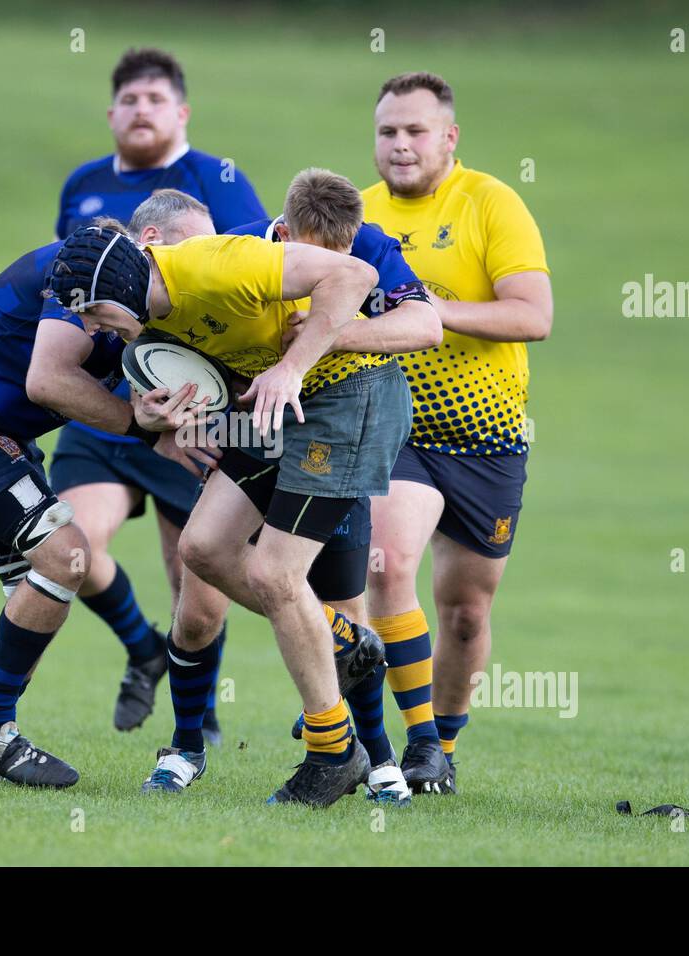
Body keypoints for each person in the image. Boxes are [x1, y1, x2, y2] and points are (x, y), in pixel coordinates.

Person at [47, 169, 434, 807]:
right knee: (202, 548)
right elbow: (180, 373)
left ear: (120, 285)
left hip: (348, 401)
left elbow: (357, 278)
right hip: (272, 410)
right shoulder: (144, 317)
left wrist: (292, 365)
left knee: (278, 576)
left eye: (93, 311)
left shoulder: (219, 263)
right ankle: (343, 642)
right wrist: (153, 416)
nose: (93, 326)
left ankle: (333, 752)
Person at [0, 199, 216, 787]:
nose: (201, 266)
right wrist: (141, 427)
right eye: (191, 251)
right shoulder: (84, 270)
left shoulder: (143, 296)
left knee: (32, 593)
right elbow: (48, 380)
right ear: (149, 241)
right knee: (66, 556)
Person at [52, 48, 268, 738]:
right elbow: (69, 294)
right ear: (111, 113)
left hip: (189, 412)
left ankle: (196, 721)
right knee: (70, 545)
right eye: (129, 99)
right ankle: (143, 651)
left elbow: (250, 282)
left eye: (156, 98)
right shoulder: (82, 185)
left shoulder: (216, 179)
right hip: (107, 404)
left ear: (181, 112)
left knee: (195, 581)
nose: (141, 109)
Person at [361, 72, 554, 794]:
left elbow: (533, 315)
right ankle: (412, 742)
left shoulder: (490, 202)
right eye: (387, 132)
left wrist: (431, 312)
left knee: (467, 614)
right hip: (394, 425)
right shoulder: (359, 214)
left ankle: (442, 743)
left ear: (449, 136)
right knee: (385, 563)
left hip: (486, 435)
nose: (401, 145)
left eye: (415, 131)